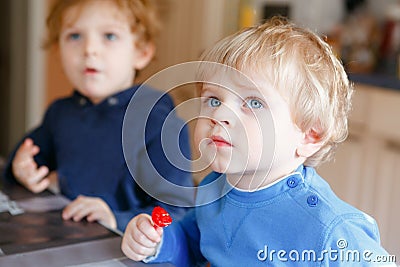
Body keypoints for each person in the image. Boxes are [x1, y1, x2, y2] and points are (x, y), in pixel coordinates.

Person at [121, 17, 396, 266]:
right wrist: (157, 242)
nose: (220, 114)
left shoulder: (330, 230)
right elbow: (194, 244)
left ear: (310, 135)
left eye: (253, 103)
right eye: (214, 99)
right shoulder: (214, 189)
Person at [3, 0, 194, 232]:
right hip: (68, 239)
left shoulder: (158, 123)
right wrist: (22, 169)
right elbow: (27, 162)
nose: (89, 49)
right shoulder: (60, 113)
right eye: (74, 36)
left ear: (141, 53)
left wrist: (117, 219)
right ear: (57, 51)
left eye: (109, 36)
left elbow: (177, 213)